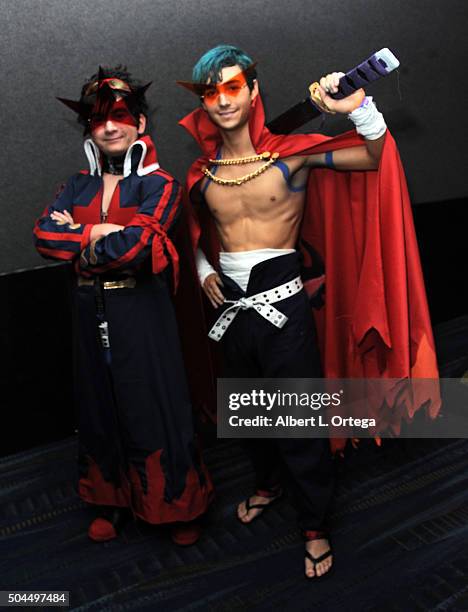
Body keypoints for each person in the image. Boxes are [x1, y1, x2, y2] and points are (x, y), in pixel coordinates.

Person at [178, 45, 439, 577]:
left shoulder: (291, 157)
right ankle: (267, 484)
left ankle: (315, 524)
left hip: (283, 305)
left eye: (233, 87)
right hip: (229, 306)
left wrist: (357, 110)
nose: (223, 99)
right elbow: (197, 233)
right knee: (248, 411)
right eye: (211, 91)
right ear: (204, 102)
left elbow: (372, 156)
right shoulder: (202, 173)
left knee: (297, 418)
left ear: (253, 92)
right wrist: (204, 270)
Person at [33, 66, 213, 546]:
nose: (109, 127)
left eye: (118, 116)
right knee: (98, 404)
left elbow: (138, 247)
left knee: (153, 404)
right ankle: (109, 503)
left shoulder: (161, 185)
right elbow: (44, 236)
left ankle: (175, 505)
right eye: (97, 120)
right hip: (88, 311)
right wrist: (99, 233)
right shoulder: (75, 186)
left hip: (143, 314)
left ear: (139, 123)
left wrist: (84, 238)